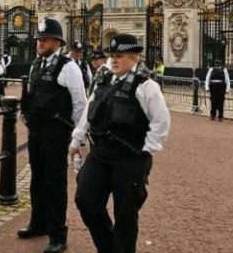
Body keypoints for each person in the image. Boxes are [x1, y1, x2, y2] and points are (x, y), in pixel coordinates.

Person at [70, 33, 171, 253]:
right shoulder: (103, 80)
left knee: (125, 214)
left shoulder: (146, 86)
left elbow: (161, 122)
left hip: (129, 157)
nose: (114, 60)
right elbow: (89, 110)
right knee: (86, 200)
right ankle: (108, 248)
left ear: (135, 57)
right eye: (113, 55)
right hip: (100, 153)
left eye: (120, 56)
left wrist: (146, 150)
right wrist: (77, 139)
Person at [18, 18, 87, 253]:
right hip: (37, 132)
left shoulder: (68, 67)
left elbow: (80, 103)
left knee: (55, 184)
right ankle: (39, 223)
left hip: (57, 133)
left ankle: (58, 235)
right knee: (37, 180)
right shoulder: (36, 65)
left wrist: (78, 137)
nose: (40, 43)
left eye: (45, 39)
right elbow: (31, 94)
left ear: (57, 42)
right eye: (39, 39)